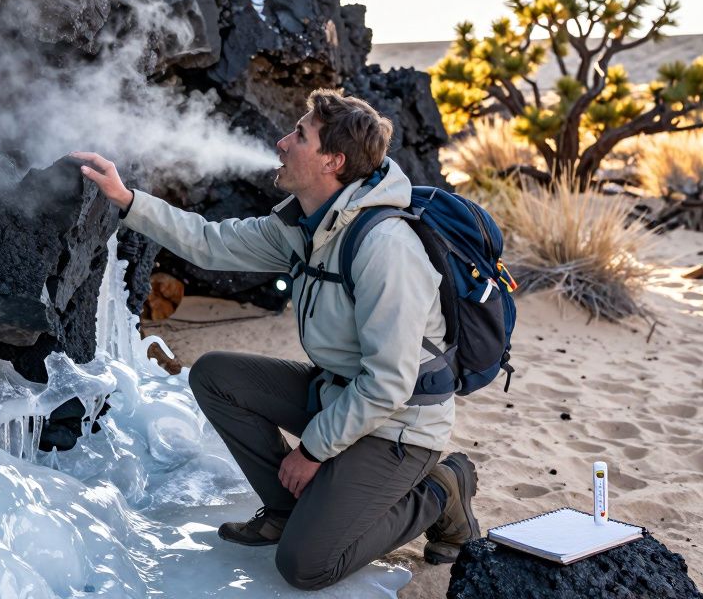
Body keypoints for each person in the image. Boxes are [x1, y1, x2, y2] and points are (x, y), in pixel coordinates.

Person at [72, 89, 480, 591]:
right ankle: (290, 512)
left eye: (299, 135)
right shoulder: (303, 224)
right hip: (340, 393)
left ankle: (442, 489)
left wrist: (310, 451)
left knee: (306, 566)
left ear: (333, 161)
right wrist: (126, 200)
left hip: (400, 423)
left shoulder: (385, 248)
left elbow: (389, 384)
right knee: (217, 376)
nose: (282, 142)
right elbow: (210, 243)